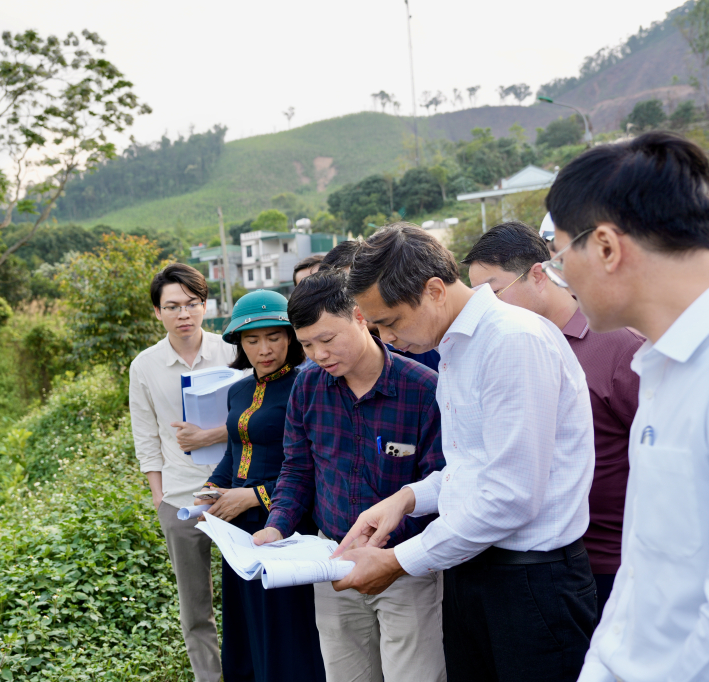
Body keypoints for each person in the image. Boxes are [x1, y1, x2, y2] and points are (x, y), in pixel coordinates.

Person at [334, 224, 597, 682]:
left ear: (434, 290)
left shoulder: (512, 340)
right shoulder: (455, 346)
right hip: (473, 570)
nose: (386, 339)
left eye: (391, 322)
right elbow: (473, 467)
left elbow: (510, 494)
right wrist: (407, 499)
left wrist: (398, 561)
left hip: (531, 585)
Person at [543, 131, 709, 682]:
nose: (560, 277)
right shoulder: (659, 367)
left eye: (561, 255)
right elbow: (646, 572)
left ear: (608, 247)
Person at [251, 270, 447, 682]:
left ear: (360, 317)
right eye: (306, 345)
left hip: (403, 566)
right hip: (332, 564)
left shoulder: (423, 390)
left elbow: (440, 486)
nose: (319, 354)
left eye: (327, 339)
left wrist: (384, 551)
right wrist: (277, 526)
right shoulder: (307, 387)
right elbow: (297, 468)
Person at [463, 220, 643, 619]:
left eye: (494, 293)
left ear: (539, 274)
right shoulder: (503, 350)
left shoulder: (617, 346)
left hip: (615, 563)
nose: (488, 309)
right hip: (538, 564)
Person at [197, 290, 326, 682]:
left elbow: (312, 466)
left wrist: (253, 496)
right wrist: (212, 486)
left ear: (290, 337)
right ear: (239, 343)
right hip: (236, 528)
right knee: (246, 623)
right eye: (252, 340)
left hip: (284, 523)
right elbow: (234, 452)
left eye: (273, 337)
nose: (264, 349)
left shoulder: (308, 387)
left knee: (287, 628)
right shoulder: (237, 390)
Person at [128, 263, 235, 682]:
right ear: (158, 313)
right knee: (195, 609)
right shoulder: (145, 366)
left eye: (191, 303)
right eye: (172, 306)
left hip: (233, 492)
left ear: (205, 305)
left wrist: (210, 435)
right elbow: (146, 439)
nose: (183, 314)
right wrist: (160, 502)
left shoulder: (231, 350)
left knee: (246, 599)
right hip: (179, 501)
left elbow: (256, 417)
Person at [322, 237, 441, 372]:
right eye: (343, 294)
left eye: (361, 287)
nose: (355, 300)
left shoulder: (429, 343)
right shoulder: (329, 366)